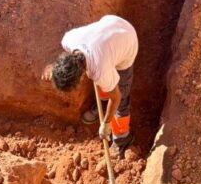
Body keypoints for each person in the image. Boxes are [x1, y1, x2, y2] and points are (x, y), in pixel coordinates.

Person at [47, 14, 138, 158]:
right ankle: (102, 107)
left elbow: (116, 98)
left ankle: (122, 139)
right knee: (103, 81)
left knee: (121, 97)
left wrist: (106, 124)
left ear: (79, 78)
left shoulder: (100, 69)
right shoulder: (68, 41)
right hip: (110, 24)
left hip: (127, 40)